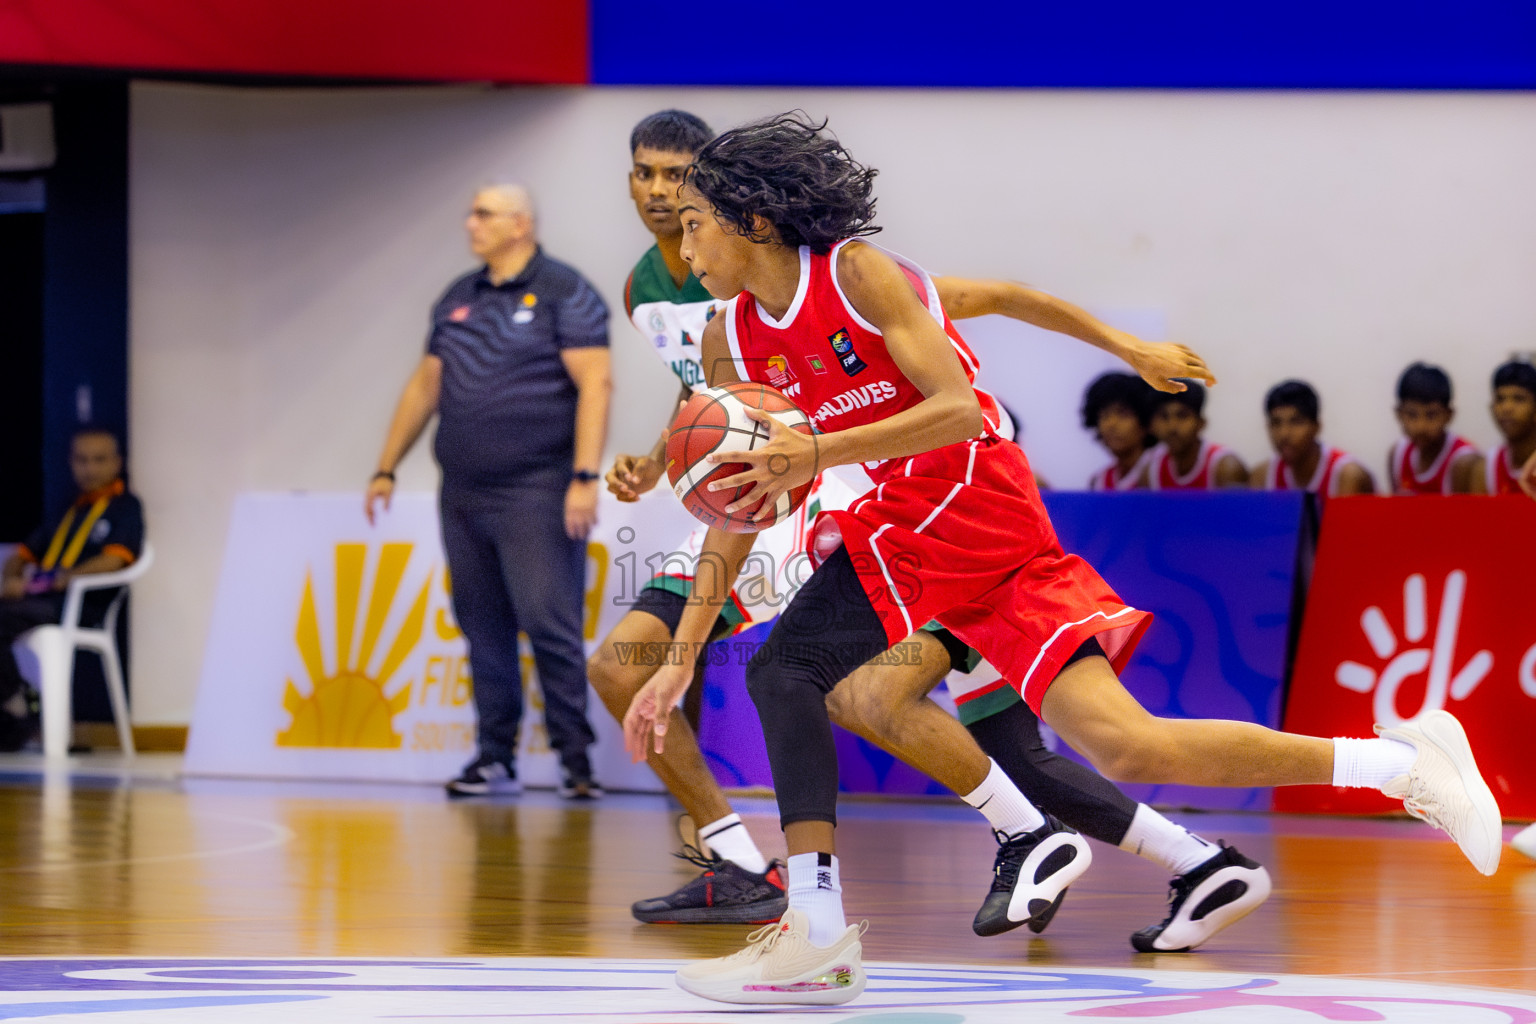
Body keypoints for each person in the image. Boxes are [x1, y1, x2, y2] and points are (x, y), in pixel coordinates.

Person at [623, 113, 1503, 1006]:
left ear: (754, 222)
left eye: (694, 221)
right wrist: (680, 655)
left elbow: (960, 408)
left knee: (793, 673)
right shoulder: (727, 341)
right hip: (923, 527)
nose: (681, 242)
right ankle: (1403, 768)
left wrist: (816, 449)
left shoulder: (857, 276)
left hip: (971, 502)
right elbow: (735, 506)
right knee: (1126, 745)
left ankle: (831, 922)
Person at [593, 111, 1271, 949]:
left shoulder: (856, 280)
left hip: (934, 506)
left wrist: (1126, 345)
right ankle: (1181, 860)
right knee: (867, 698)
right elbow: (718, 422)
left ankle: (1043, 843)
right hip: (839, 515)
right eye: (647, 176)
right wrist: (663, 460)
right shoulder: (689, 306)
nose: (663, 196)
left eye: (681, 183)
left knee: (905, 705)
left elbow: (1004, 299)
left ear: (745, 205)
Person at [365, 183, 612, 800]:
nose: (470, 222)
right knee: (482, 626)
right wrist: (386, 465)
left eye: (484, 213)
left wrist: (585, 477)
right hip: (464, 491)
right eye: (471, 211)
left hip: (539, 488)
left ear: (520, 224)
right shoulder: (459, 295)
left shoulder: (565, 290)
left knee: (548, 621)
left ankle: (575, 762)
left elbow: (597, 384)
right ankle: (494, 755)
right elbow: (426, 387)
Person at [0, 426, 145, 751]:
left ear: (116, 462)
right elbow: (24, 553)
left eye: (99, 460)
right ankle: (14, 714)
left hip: (82, 606)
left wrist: (64, 578)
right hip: (44, 601)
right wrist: (11, 578)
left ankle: (17, 698)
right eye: (82, 460)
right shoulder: (71, 509)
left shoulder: (125, 507)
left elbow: (115, 560)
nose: (90, 469)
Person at [1251, 379, 1375, 497]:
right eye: (1276, 423)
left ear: (1317, 427)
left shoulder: (1346, 475)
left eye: (1296, 422)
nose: (1284, 434)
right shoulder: (1262, 476)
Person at [1388, 362, 1480, 494]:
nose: (1421, 426)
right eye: (1412, 415)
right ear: (1398, 414)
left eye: (1431, 415)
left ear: (1449, 415)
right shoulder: (1397, 454)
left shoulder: (1465, 462)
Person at [1146, 382, 1248, 489]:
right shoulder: (1151, 470)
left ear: (1201, 423)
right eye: (1164, 416)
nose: (1172, 427)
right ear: (1152, 425)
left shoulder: (1226, 468)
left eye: (1182, 416)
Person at [1470, 360, 1536, 496]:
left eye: (1519, 399)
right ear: (1491, 407)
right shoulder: (1484, 468)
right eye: (1500, 399)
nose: (1507, 408)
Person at [1082, 372, 1156, 490]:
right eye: (1104, 415)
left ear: (1146, 422)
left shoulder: (1160, 470)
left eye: (1123, 414)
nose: (1111, 424)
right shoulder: (1099, 481)